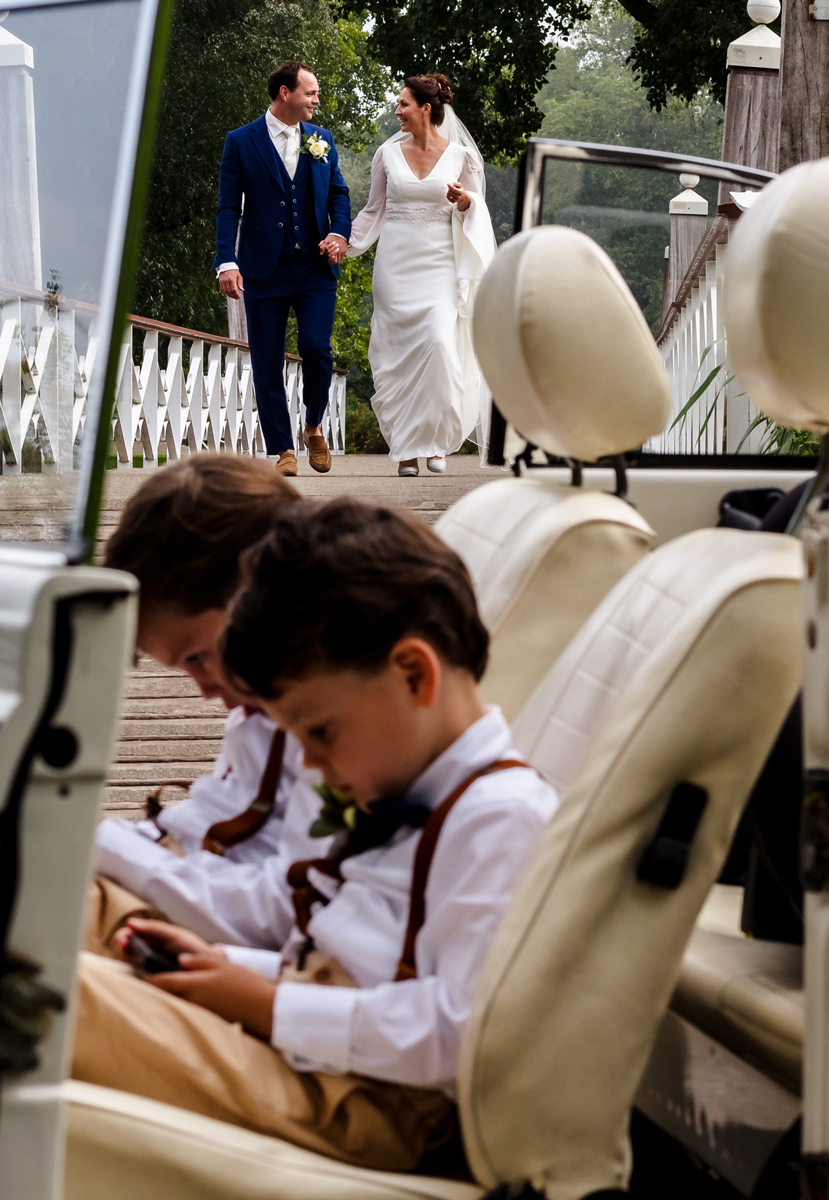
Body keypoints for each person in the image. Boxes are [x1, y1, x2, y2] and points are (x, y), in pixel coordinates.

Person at [72, 498, 561, 1172]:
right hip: (320, 1044)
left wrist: (269, 1006)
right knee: (52, 944)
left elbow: (466, 1029)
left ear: (414, 673)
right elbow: (362, 965)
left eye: (319, 732)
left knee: (53, 997)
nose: (308, 763)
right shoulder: (412, 785)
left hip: (370, 1103)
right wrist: (227, 971)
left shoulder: (498, 818)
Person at [90, 455, 332, 951]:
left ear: (264, 603)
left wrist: (105, 842)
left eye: (199, 657)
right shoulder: (257, 711)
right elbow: (215, 826)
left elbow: (286, 913)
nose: (202, 689)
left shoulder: (334, 731)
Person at [346, 74, 496, 477]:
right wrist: (345, 242)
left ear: (426, 109)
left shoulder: (463, 157)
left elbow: (477, 207)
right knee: (394, 356)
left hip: (440, 266)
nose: (397, 111)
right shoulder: (386, 154)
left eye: (403, 105)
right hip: (395, 268)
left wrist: (465, 202)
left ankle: (434, 442)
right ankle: (407, 449)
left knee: (440, 346)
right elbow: (373, 210)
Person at [215, 61, 353, 478]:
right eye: (310, 93)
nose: (316, 100)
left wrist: (340, 234)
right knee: (267, 361)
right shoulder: (240, 141)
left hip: (314, 267)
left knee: (317, 348)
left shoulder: (321, 140)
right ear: (284, 94)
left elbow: (339, 197)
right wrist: (226, 259)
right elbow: (227, 207)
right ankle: (283, 449)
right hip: (262, 269)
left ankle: (313, 425)